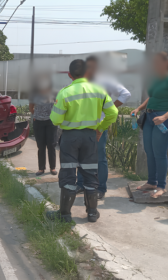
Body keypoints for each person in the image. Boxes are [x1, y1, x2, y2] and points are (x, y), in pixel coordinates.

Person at [47, 59, 118, 223]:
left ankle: (64, 214)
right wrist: (100, 128)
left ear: (69, 74)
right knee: (90, 173)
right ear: (87, 73)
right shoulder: (99, 91)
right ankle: (92, 213)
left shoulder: (65, 92)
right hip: (90, 137)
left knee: (68, 174)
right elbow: (112, 113)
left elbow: (55, 119)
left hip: (70, 138)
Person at [77, 55, 131, 199]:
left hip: (98, 125)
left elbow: (125, 94)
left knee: (99, 157)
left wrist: (110, 108)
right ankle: (80, 184)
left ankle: (101, 188)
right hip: (81, 124)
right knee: (82, 156)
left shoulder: (106, 80)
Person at [131, 52, 168, 198]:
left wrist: (164, 116)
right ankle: (151, 182)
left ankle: (161, 186)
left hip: (164, 120)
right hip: (150, 118)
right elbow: (151, 97)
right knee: (150, 151)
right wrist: (139, 109)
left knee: (159, 153)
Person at [29, 75, 58, 176]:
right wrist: (36, 115)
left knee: (51, 145)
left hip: (51, 122)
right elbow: (31, 107)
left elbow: (58, 105)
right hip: (39, 122)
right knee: (41, 146)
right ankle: (41, 168)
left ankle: (53, 168)